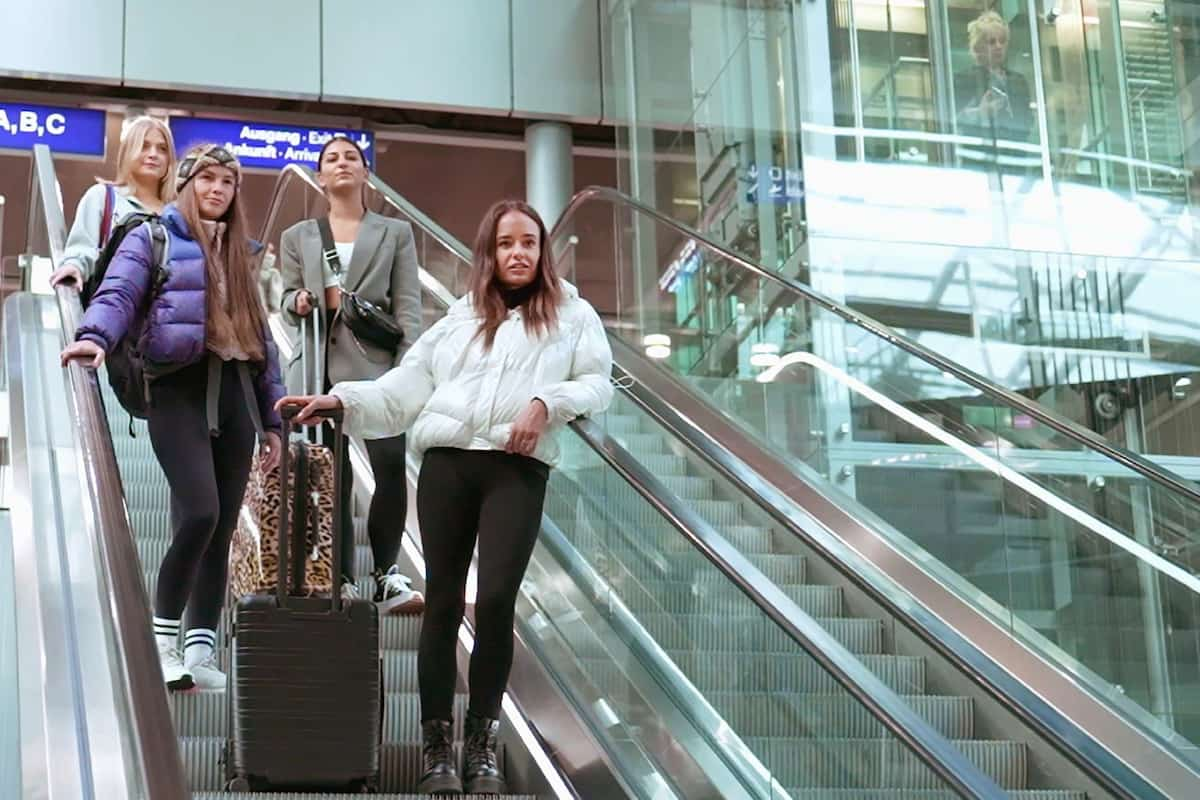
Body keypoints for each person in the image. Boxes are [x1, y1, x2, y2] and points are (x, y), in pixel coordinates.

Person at [277, 199, 613, 795]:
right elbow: (406, 386)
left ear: (542, 252)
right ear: (489, 252)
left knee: (500, 600)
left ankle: (481, 743)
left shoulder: (572, 314)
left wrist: (545, 404)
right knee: (443, 603)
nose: (518, 253)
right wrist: (344, 401)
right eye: (506, 243)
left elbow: (595, 383)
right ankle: (437, 748)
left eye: (528, 243)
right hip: (447, 467)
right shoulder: (461, 318)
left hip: (516, 468)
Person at [61, 144, 286, 692]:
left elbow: (264, 343)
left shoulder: (244, 253)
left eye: (226, 182)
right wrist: (93, 336)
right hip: (176, 386)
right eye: (205, 179)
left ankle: (201, 645)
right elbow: (118, 291)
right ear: (186, 185)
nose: (216, 189)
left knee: (225, 525)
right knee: (200, 512)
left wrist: (274, 422)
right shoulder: (152, 236)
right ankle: (163, 638)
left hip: (235, 390)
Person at [278, 134, 424, 615]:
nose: (342, 163)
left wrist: (408, 369)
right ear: (320, 177)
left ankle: (385, 576)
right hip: (318, 370)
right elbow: (286, 302)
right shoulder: (299, 236)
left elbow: (407, 306)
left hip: (378, 371)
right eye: (331, 159)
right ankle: (337, 576)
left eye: (351, 158)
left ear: (365, 173)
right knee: (330, 477)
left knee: (388, 468)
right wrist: (297, 302)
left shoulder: (395, 232)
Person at [50, 116, 177, 289]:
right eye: (144, 146)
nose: (153, 154)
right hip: (111, 306)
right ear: (127, 152)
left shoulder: (177, 212)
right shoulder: (103, 197)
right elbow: (83, 247)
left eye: (162, 149)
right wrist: (74, 266)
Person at [954, 11, 1034, 161]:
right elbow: (954, 120)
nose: (999, 46)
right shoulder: (964, 79)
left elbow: (1028, 121)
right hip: (978, 156)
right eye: (991, 42)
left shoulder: (1019, 81)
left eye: (1002, 41)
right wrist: (980, 113)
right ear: (977, 48)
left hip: (1015, 157)